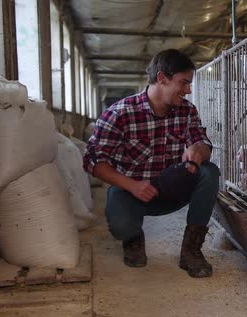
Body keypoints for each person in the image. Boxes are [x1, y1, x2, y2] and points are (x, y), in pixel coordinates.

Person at [83, 49, 219, 278]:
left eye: (189, 84)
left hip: (171, 186)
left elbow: (202, 141)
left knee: (209, 172)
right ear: (162, 78)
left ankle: (191, 250)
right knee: (120, 224)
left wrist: (198, 150)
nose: (188, 90)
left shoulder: (187, 111)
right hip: (133, 189)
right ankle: (133, 237)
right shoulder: (119, 113)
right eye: (183, 83)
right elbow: (93, 161)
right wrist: (132, 185)